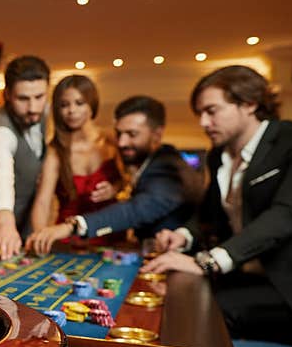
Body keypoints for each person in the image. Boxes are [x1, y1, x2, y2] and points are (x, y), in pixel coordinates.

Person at [142, 65, 292, 345]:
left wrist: (208, 263)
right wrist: (183, 236)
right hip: (240, 275)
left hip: (289, 286)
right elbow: (208, 214)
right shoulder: (218, 155)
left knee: (199, 313)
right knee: (173, 298)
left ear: (249, 103)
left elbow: (286, 215)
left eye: (212, 111)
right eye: (200, 114)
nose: (204, 123)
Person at [26, 95, 200, 255]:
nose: (122, 143)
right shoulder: (150, 164)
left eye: (132, 134)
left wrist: (71, 226)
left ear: (157, 134)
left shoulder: (169, 168)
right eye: (119, 134)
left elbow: (135, 210)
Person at [26, 74, 124, 251]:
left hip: (111, 232)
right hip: (70, 238)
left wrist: (115, 189)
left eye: (79, 103)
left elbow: (130, 182)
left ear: (91, 104)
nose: (71, 111)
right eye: (64, 105)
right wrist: (41, 236)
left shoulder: (111, 142)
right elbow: (43, 201)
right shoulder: (56, 151)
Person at [0, 55, 50, 261]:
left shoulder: (45, 114)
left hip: (23, 229)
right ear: (7, 94)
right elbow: (1, 174)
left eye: (39, 97)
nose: (33, 107)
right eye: (23, 99)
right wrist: (6, 222)